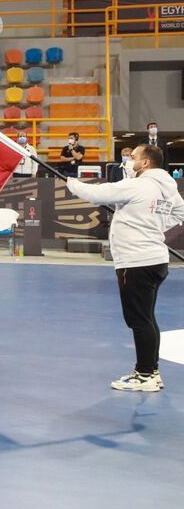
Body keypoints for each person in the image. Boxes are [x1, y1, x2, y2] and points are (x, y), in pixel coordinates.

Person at [67, 144, 184, 392]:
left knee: (139, 320)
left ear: (146, 163)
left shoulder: (139, 184)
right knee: (147, 318)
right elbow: (180, 212)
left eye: (133, 157)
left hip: (136, 261)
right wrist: (154, 225)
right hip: (155, 259)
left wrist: (71, 183)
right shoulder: (167, 188)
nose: (129, 161)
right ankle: (150, 372)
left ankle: (145, 375)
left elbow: (100, 193)